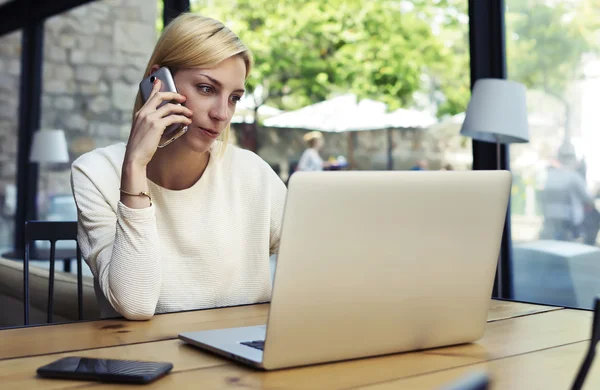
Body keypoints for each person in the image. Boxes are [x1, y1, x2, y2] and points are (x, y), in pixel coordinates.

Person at [70, 14, 287, 320]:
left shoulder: (253, 173)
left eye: (234, 97)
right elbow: (135, 303)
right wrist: (135, 166)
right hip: (147, 362)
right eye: (207, 89)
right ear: (157, 83)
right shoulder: (95, 172)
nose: (222, 114)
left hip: (245, 360)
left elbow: (320, 265)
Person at [539, 144, 598, 244]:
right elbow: (588, 198)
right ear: (573, 159)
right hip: (570, 225)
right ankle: (590, 245)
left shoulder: (550, 176)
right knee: (595, 216)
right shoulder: (573, 177)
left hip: (550, 223)